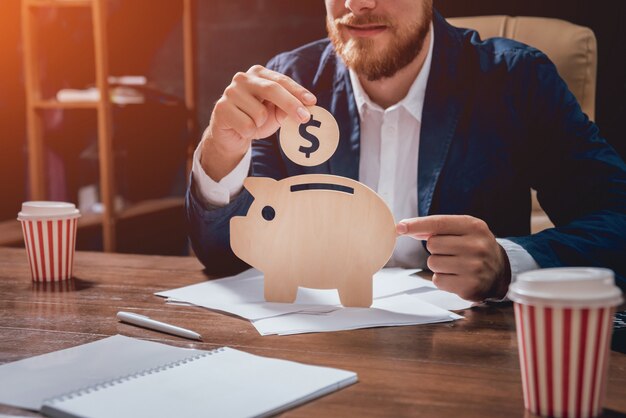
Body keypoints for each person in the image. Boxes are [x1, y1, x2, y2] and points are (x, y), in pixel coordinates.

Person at [186, 0, 626, 302]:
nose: (356, 3)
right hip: (317, 347)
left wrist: (506, 264)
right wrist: (220, 150)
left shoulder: (516, 80)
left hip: (465, 361)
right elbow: (224, 254)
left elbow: (618, 219)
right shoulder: (290, 82)